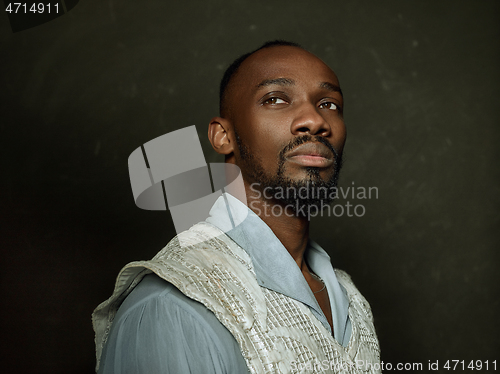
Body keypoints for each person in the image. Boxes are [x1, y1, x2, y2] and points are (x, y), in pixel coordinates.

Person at [92, 40, 381, 374]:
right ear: (223, 136)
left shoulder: (349, 297)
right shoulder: (174, 304)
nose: (314, 120)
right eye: (275, 99)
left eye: (329, 104)